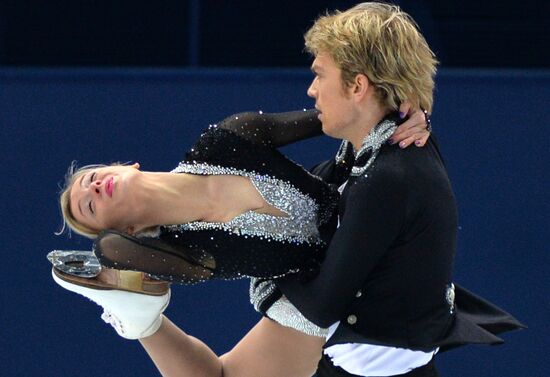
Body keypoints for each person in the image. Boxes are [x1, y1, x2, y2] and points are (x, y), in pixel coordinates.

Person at [51, 3, 522, 377]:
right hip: (335, 314)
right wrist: (128, 296)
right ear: (131, 229)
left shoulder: (228, 141)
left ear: (125, 163)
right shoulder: (180, 246)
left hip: (352, 323)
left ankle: (140, 320)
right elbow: (116, 252)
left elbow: (329, 120)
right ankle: (140, 323)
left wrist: (409, 110)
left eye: (89, 178)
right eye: (88, 205)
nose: (90, 188)